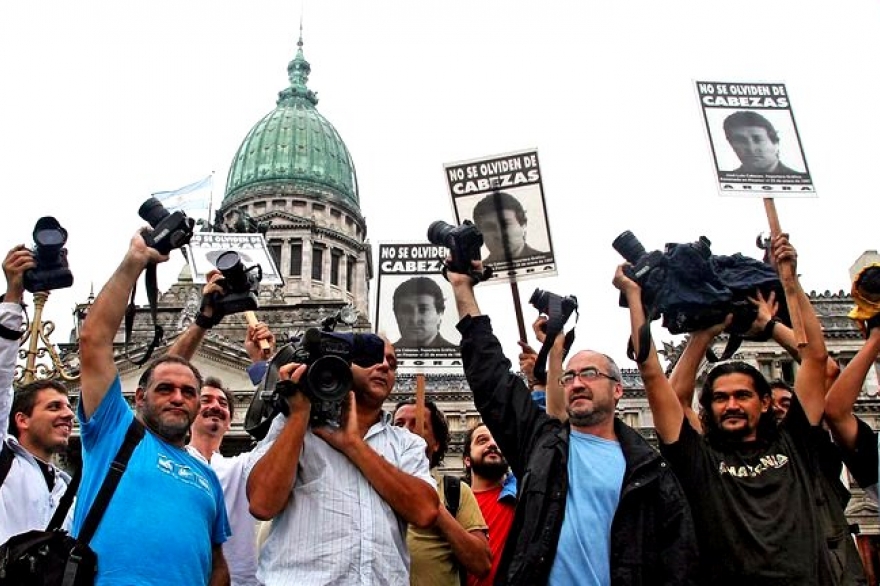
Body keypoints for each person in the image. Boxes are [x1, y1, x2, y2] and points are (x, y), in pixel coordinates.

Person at [448, 261, 698, 585]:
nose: (578, 382)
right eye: (570, 376)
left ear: (618, 389)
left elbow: (679, 563)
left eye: (590, 374)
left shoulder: (652, 470)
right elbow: (491, 380)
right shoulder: (544, 447)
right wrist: (463, 289)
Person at [615, 233, 839, 585]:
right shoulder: (699, 458)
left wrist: (786, 289)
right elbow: (658, 380)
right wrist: (701, 332)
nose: (731, 405)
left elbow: (815, 358)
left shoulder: (794, 443)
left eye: (742, 395)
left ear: (765, 403)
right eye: (720, 398)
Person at [74, 229, 230, 585]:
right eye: (165, 390)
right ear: (139, 397)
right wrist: (135, 263)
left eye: (189, 392)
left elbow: (218, 565)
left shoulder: (207, 476)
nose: (178, 398)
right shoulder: (114, 433)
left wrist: (204, 322)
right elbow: (94, 340)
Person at [245, 334, 439, 585]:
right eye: (372, 358)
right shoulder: (297, 426)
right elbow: (262, 504)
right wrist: (299, 414)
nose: (383, 366)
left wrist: (354, 446)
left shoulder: (407, 443)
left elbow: (425, 511)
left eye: (392, 363)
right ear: (340, 362)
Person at [0, 245, 75, 544]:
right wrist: (12, 298)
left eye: (68, 407)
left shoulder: (68, 489)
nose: (69, 414)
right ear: (22, 419)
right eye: (54, 407)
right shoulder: (5, 462)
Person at [393, 398, 491, 586]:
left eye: (418, 424)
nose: (405, 431)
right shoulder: (371, 485)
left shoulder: (455, 491)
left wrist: (433, 504)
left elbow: (482, 564)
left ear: (436, 443)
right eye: (399, 424)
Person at [462, 423, 517, 586]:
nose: (493, 444)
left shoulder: (524, 496)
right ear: (467, 460)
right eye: (482, 440)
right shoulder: (452, 504)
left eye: (498, 440)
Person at [471, 191, 547, 264]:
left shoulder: (545, 260)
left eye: (505, 225)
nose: (499, 235)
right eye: (489, 227)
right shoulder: (478, 273)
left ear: (523, 225)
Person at [722, 110, 806, 175]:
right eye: (741, 141)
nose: (751, 149)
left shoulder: (799, 179)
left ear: (776, 143)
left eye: (758, 140)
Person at [392, 276, 457, 349]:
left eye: (423, 310)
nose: (414, 319)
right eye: (406, 310)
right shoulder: (382, 356)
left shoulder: (461, 355)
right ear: (396, 314)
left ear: (440, 313)